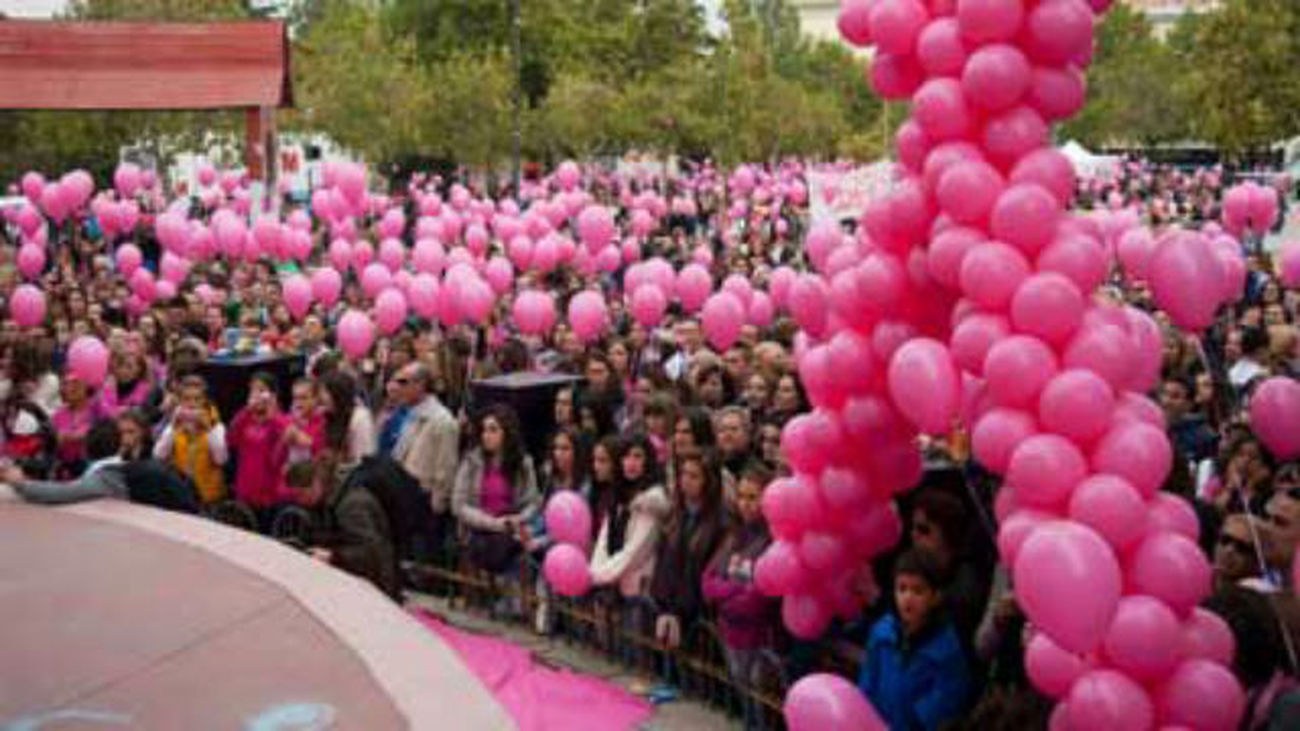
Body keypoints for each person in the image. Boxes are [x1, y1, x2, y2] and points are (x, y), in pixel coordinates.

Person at [858, 548, 973, 731]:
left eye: (918, 591)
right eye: (901, 589)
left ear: (936, 596)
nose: (907, 598)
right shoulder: (881, 633)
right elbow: (868, 680)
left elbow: (947, 697)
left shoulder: (947, 648)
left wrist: (919, 720)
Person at [702, 461, 778, 731]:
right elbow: (708, 581)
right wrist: (733, 591)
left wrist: (726, 594)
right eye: (742, 497)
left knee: (761, 704)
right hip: (728, 633)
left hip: (759, 638)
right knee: (744, 699)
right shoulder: (734, 535)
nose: (745, 504)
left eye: (753, 498)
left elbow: (757, 599)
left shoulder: (772, 540)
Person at [590, 433, 671, 655]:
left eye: (638, 456)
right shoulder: (619, 496)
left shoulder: (651, 502)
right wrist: (594, 570)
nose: (631, 463)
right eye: (626, 457)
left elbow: (635, 552)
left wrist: (596, 576)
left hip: (638, 592)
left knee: (634, 656)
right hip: (614, 586)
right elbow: (603, 541)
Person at [650, 450, 726, 660]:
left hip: (697, 614)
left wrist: (680, 610)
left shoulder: (720, 523)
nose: (686, 481)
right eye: (683, 474)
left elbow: (705, 570)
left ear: (708, 481)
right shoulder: (676, 514)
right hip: (668, 607)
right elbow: (664, 564)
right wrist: (664, 605)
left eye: (694, 476)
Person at [377, 362, 459, 558]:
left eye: (403, 382)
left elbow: (446, 468)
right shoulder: (410, 414)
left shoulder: (442, 421)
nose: (398, 387)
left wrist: (435, 505)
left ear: (420, 385)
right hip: (403, 496)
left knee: (422, 558)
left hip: (424, 503)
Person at [452, 405, 541, 576]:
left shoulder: (523, 464)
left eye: (493, 430)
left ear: (506, 432)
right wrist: (492, 523)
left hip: (510, 526)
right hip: (478, 527)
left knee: (518, 549)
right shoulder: (472, 461)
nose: (486, 435)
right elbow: (459, 505)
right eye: (484, 430)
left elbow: (533, 502)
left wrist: (518, 518)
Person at [153, 375, 227, 506]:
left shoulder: (216, 426)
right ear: (180, 401)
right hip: (181, 496)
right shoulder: (175, 425)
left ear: (205, 401)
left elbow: (220, 459)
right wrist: (173, 427)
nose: (192, 404)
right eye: (187, 399)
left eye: (197, 399)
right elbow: (158, 455)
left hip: (209, 498)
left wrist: (208, 429)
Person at [228, 371, 288, 519]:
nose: (256, 395)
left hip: (269, 492)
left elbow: (283, 450)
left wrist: (272, 415)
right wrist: (246, 410)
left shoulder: (280, 419)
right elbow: (231, 439)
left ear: (272, 395)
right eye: (252, 390)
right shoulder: (245, 417)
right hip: (246, 488)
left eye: (261, 390)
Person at [320, 371, 376, 468]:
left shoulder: (360, 417)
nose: (320, 397)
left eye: (324, 392)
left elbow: (364, 458)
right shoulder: (326, 414)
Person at [50, 374, 100, 479]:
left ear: (87, 386)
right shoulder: (58, 414)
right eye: (66, 384)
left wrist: (75, 436)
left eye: (75, 384)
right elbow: (53, 443)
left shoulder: (98, 409)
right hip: (65, 468)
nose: (69, 388)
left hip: (92, 467)